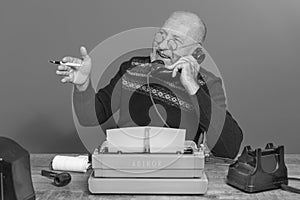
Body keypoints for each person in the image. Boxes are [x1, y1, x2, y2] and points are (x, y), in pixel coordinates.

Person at [55, 11, 243, 159]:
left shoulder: (208, 83)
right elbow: (89, 117)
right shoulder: (131, 67)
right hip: (125, 163)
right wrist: (83, 84)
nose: (161, 46)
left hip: (178, 171)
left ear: (196, 53)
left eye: (175, 41)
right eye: (161, 35)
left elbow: (228, 149)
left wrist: (192, 87)